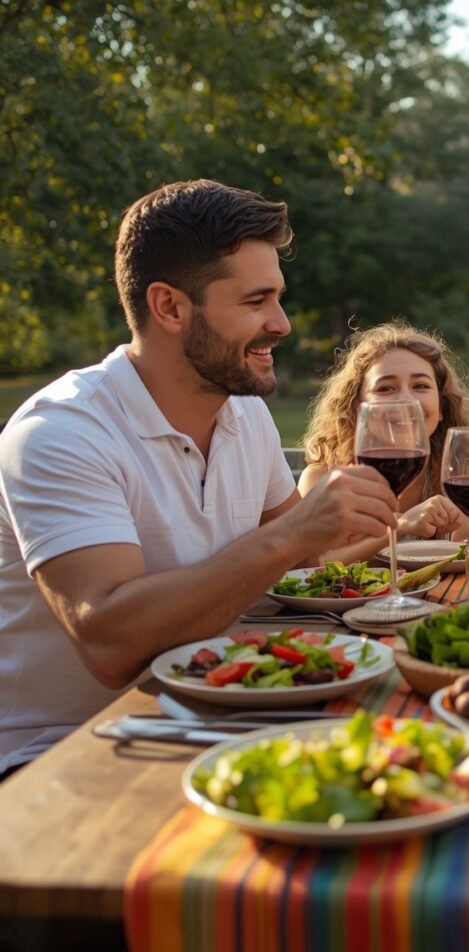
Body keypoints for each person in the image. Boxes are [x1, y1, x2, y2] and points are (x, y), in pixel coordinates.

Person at [0, 179, 399, 776]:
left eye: (278, 298)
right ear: (169, 307)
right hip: (67, 758)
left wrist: (384, 539)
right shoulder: (61, 433)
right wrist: (294, 536)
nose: (282, 323)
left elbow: (300, 569)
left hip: (218, 717)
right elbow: (110, 644)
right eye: (255, 301)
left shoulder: (243, 413)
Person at [298, 322, 469, 563]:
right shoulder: (322, 480)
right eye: (385, 388)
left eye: (420, 386)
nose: (405, 402)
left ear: (441, 407)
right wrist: (401, 525)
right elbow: (310, 563)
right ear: (358, 408)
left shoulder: (459, 472)